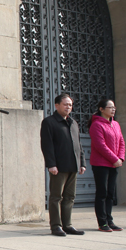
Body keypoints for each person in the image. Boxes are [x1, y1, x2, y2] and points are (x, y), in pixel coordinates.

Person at [40, 93, 87, 236]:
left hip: (73, 165)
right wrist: (51, 164)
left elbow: (79, 145)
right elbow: (47, 145)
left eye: (70, 105)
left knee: (70, 197)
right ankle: (56, 226)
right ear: (57, 105)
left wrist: (82, 163)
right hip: (59, 166)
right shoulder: (49, 122)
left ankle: (67, 225)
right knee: (56, 197)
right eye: (65, 104)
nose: (68, 107)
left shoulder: (73, 123)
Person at [88, 98, 125, 232]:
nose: (113, 110)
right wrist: (114, 158)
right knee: (102, 193)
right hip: (101, 164)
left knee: (110, 193)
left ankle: (110, 220)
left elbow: (121, 142)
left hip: (114, 164)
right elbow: (100, 145)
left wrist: (120, 158)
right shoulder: (96, 125)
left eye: (114, 107)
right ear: (101, 109)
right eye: (110, 107)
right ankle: (102, 222)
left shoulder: (116, 124)